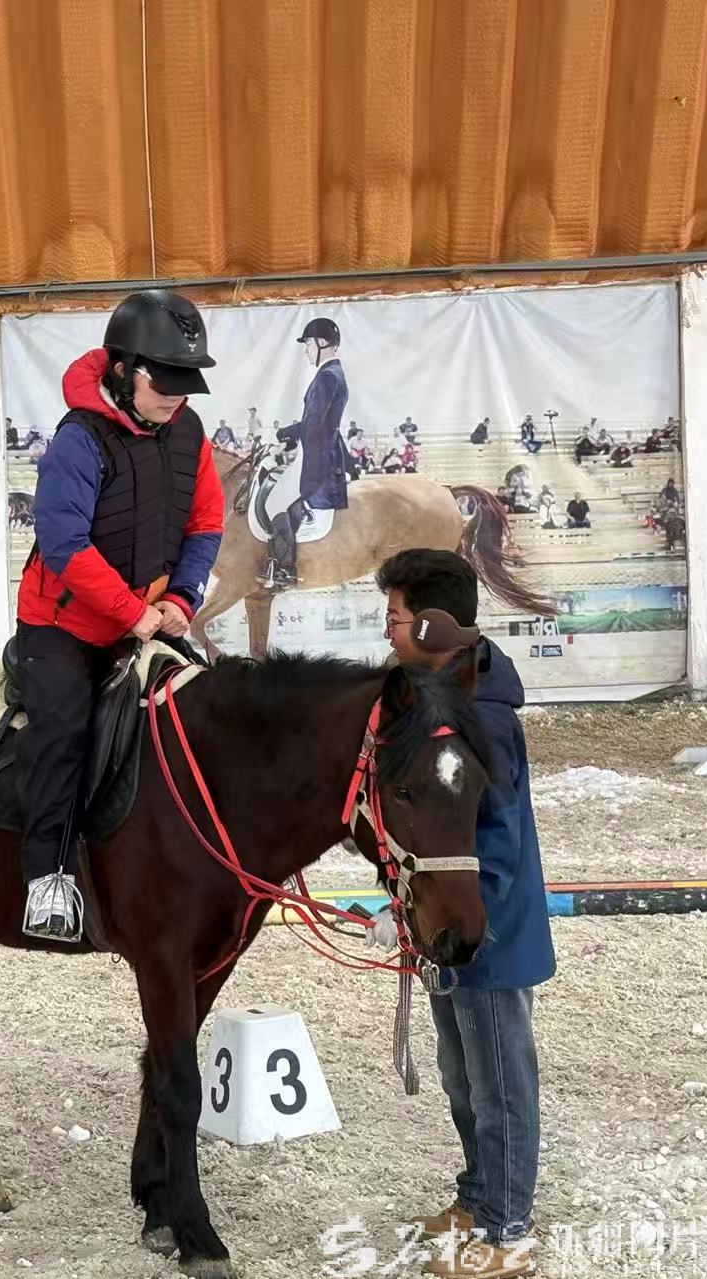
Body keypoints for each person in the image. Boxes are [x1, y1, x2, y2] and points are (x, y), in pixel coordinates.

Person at [13, 288, 224, 939]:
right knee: (63, 731)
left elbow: (206, 522)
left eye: (186, 383)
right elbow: (64, 544)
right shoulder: (78, 441)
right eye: (164, 382)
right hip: (64, 627)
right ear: (123, 370)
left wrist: (182, 598)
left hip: (151, 615)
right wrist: (130, 612)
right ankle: (48, 878)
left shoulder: (189, 431)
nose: (176, 397)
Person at [375, 550, 552, 1279]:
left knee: (500, 1083)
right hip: (447, 927)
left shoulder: (482, 718)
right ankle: (479, 1197)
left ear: (431, 625)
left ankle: (508, 1229)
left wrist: (471, 928)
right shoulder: (441, 701)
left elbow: (495, 837)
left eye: (394, 616)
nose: (386, 630)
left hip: (483, 932)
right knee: (461, 1076)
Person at [263, 316, 348, 587]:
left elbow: (312, 424)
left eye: (308, 344)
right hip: (318, 451)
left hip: (316, 459)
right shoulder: (332, 374)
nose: (306, 351)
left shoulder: (327, 377)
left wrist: (282, 435)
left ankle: (285, 569)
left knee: (273, 503)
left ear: (321, 343)